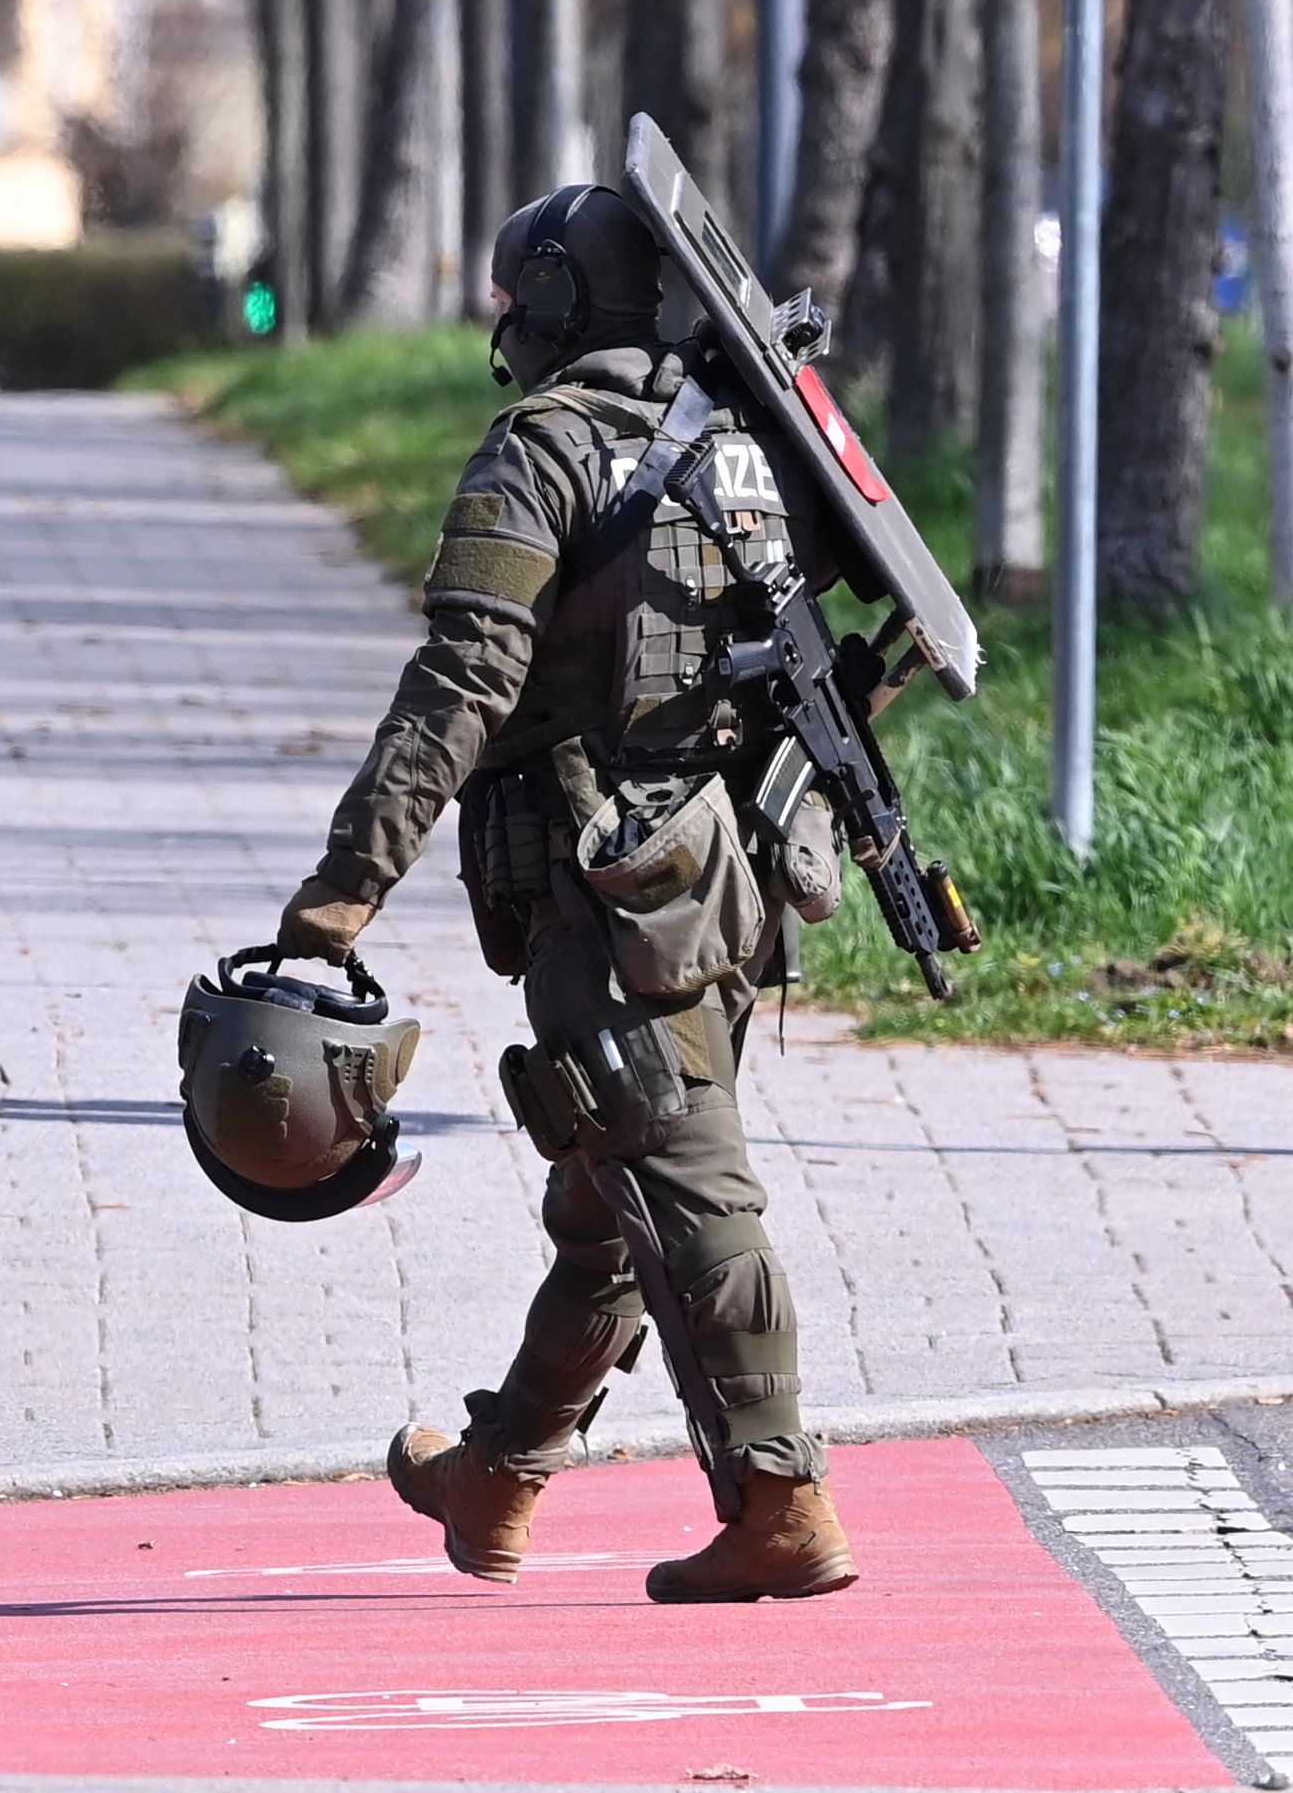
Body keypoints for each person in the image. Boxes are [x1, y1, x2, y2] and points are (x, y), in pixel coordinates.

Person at [274, 182, 858, 1606]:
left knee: (681, 1175)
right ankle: (502, 1470)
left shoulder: (541, 450)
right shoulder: (735, 440)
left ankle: (780, 1497)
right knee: (607, 1197)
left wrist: (338, 897)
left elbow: (463, 681)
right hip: (728, 863)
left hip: (601, 881)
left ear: (539, 306)